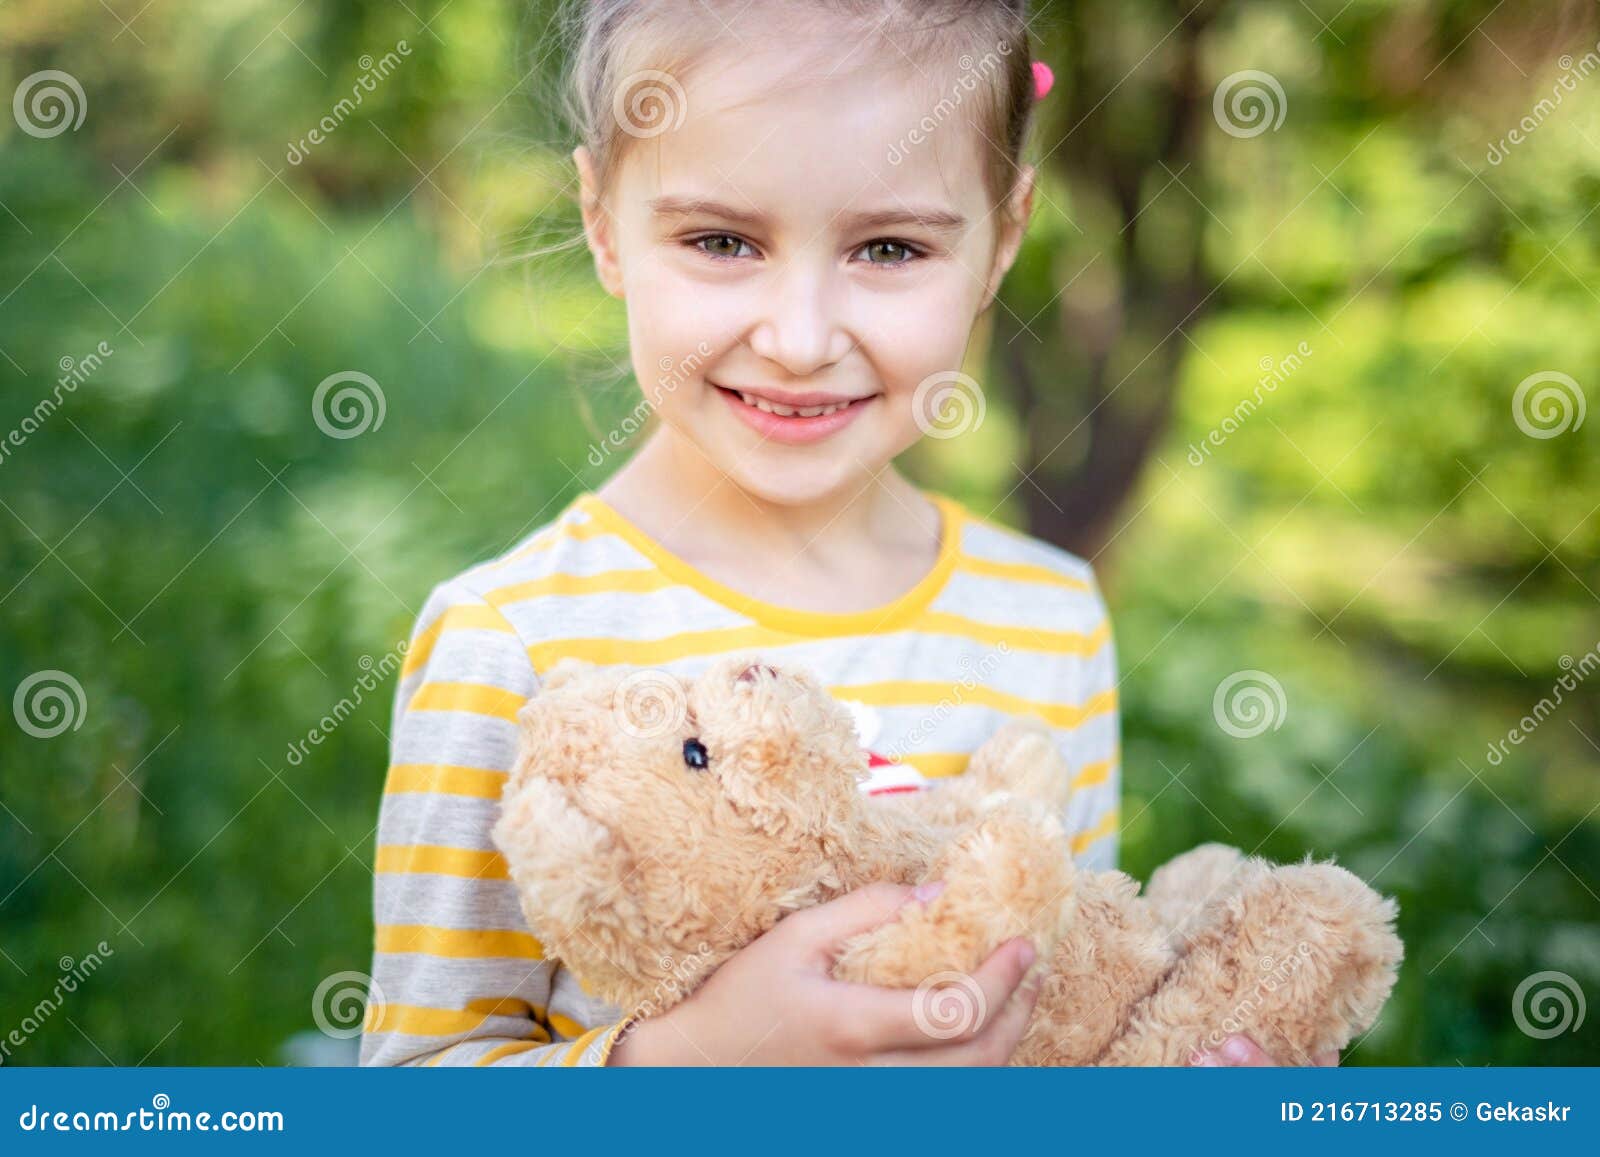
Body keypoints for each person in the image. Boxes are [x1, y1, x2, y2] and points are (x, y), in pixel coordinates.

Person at [358, 0, 1331, 1068]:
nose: (801, 338)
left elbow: (1056, 1021)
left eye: (889, 247)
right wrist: (692, 1060)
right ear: (602, 223)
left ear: (1002, 238)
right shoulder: (509, 643)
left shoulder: (1047, 617)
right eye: (721, 240)